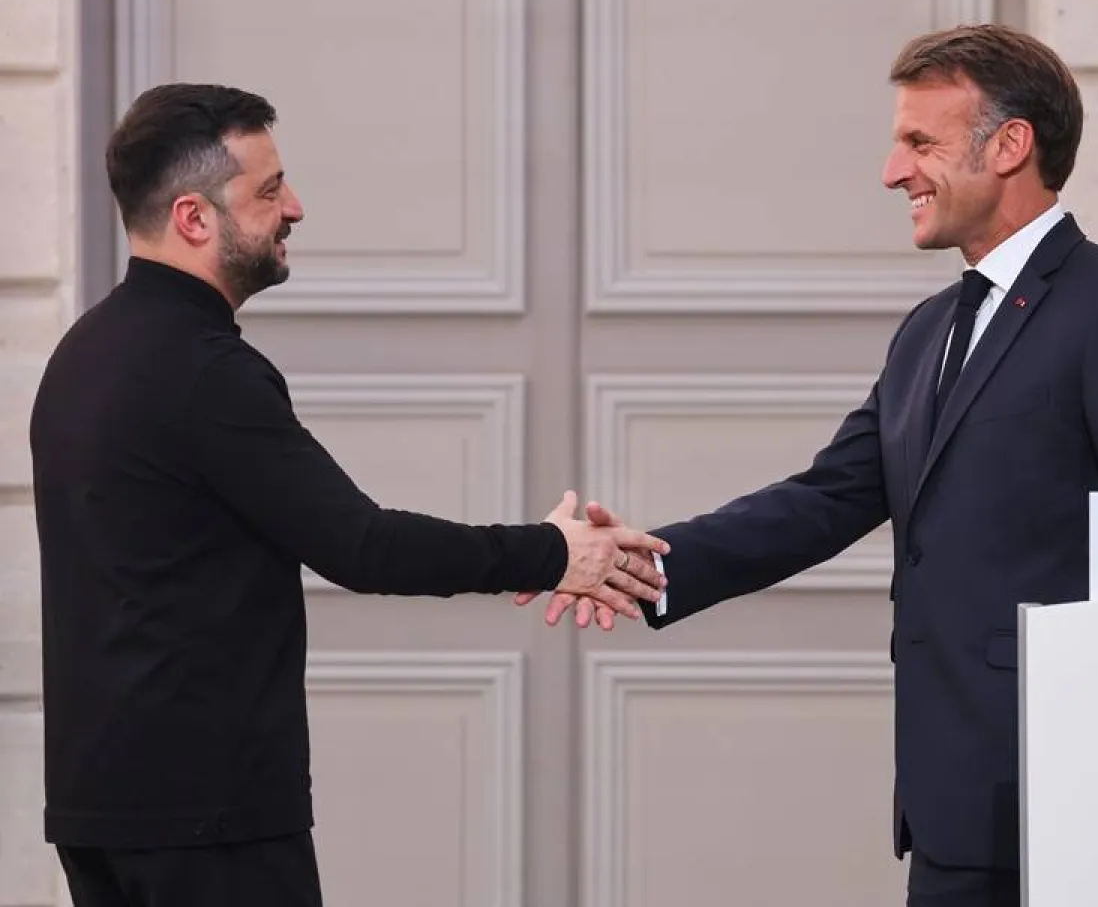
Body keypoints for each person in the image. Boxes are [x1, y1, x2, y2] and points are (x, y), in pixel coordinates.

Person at [519, 24, 1098, 906]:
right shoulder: (928, 330)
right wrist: (646, 563)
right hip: (952, 799)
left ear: (1010, 145)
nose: (894, 171)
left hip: (1077, 798)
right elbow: (829, 496)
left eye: (920, 142)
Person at [28, 82, 669, 907]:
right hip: (208, 825)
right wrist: (555, 553)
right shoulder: (206, 374)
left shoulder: (82, 356)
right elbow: (362, 545)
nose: (294, 207)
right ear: (194, 218)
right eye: (267, 191)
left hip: (102, 812)